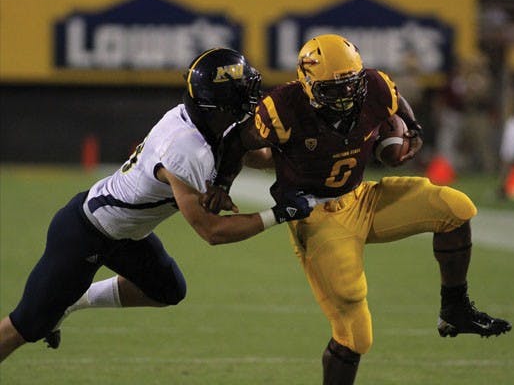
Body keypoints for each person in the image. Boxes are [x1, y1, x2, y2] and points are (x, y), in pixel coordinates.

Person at [205, 34, 512, 384]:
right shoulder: (283, 106)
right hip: (316, 214)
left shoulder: (374, 85)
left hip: (362, 198)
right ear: (307, 84)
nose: (345, 95)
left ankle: (454, 308)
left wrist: (412, 128)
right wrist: (220, 184)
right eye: (333, 89)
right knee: (355, 335)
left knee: (455, 208)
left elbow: (396, 102)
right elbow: (238, 141)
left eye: (350, 85)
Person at [0, 48, 313, 362]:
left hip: (125, 235)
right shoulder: (185, 148)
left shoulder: (203, 123)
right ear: (217, 105)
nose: (251, 101)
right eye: (242, 95)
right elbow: (211, 231)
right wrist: (278, 213)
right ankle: (58, 302)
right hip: (84, 233)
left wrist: (305, 157)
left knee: (167, 289)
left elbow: (247, 154)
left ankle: (71, 301)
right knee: (23, 327)